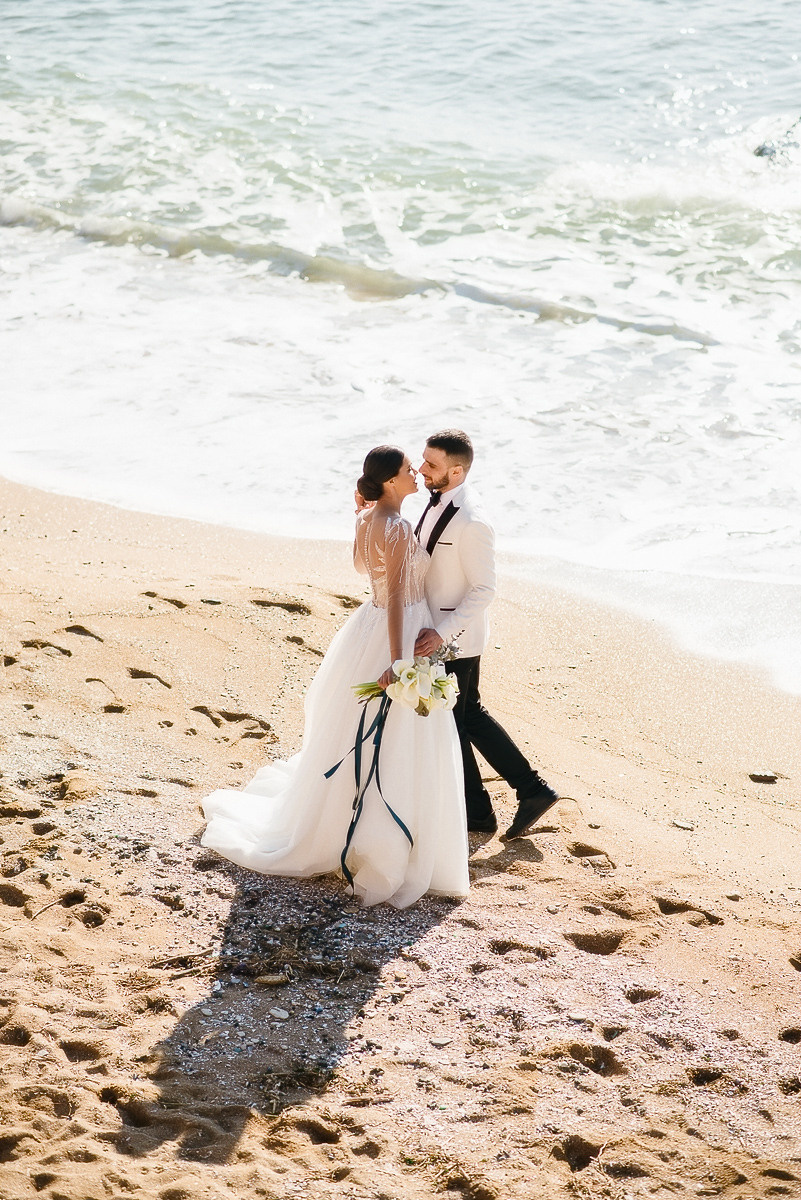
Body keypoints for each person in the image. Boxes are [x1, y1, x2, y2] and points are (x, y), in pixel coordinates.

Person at [200, 446, 469, 909]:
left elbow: (366, 571)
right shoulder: (399, 529)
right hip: (395, 631)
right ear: (389, 481)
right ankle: (385, 839)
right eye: (408, 470)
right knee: (398, 736)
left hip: (366, 624)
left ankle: (352, 823)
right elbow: (401, 599)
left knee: (353, 728)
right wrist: (399, 661)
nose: (415, 475)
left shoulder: (364, 519)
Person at [414, 429, 559, 839]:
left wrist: (441, 633)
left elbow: (484, 590)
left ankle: (494, 806)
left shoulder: (473, 521)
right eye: (423, 460)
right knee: (465, 716)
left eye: (432, 464)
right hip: (435, 632)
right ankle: (521, 795)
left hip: (455, 638)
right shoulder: (436, 501)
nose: (422, 469)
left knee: (456, 720)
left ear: (456, 472)